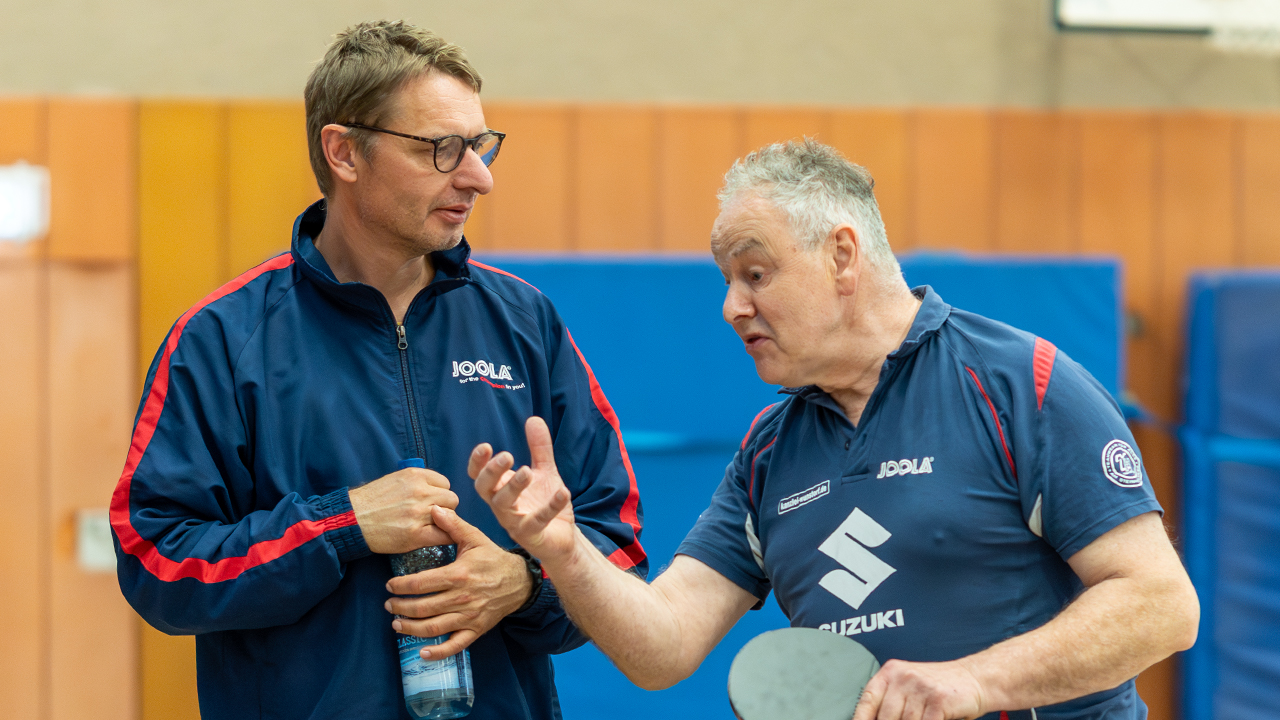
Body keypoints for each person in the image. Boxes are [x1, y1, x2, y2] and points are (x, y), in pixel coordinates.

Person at [460, 139, 1200, 720]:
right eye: (727, 281)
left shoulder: (1020, 383)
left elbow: (1162, 605)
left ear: (842, 256)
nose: (732, 307)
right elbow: (664, 647)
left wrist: (975, 681)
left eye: (755, 274)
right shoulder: (768, 453)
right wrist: (563, 551)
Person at [110, 20, 645, 720]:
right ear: (344, 153)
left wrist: (526, 582)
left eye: (480, 146)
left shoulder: (524, 321)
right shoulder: (222, 339)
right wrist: (341, 524)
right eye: (440, 149)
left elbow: (620, 547)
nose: (479, 177)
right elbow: (155, 560)